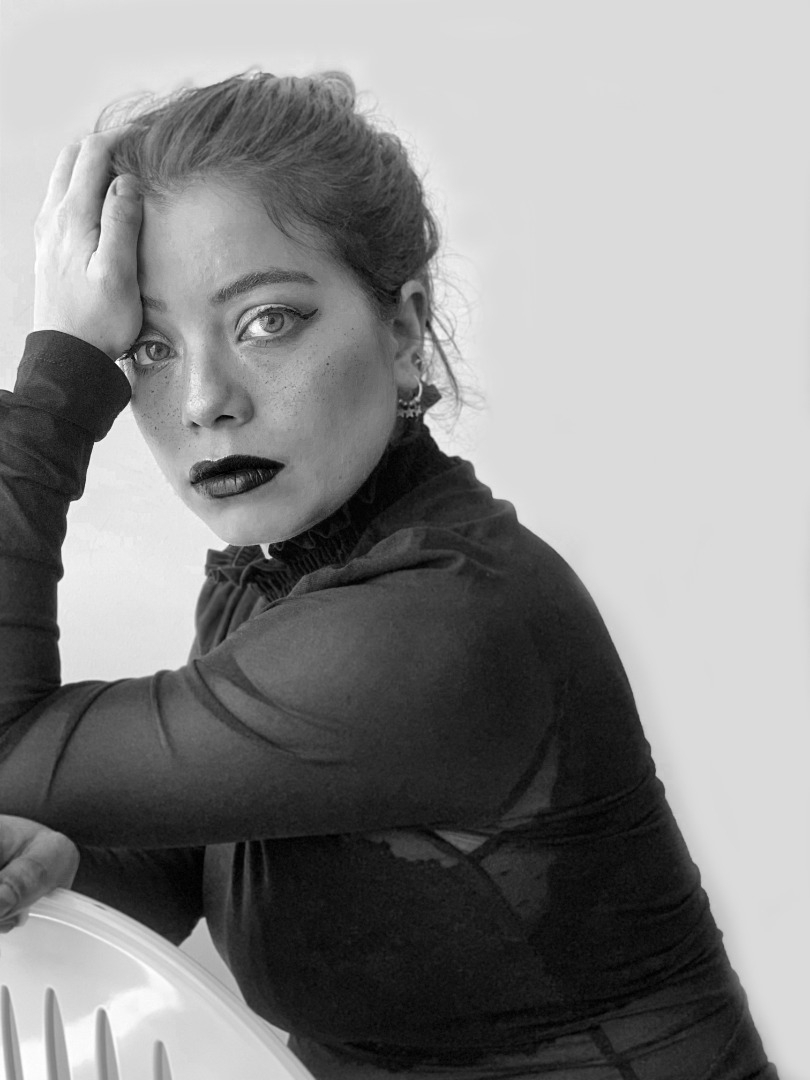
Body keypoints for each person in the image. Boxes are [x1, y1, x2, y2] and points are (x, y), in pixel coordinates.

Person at [0, 71, 779, 1079]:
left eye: (267, 320)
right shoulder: (277, 574)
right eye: (146, 347)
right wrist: (75, 862)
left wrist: (59, 376)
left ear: (404, 331)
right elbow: (202, 856)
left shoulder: (435, 625)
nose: (205, 399)